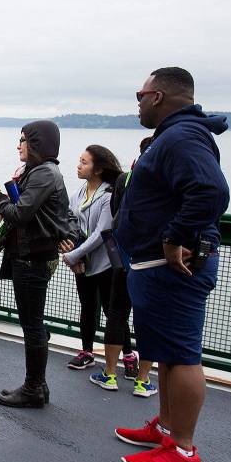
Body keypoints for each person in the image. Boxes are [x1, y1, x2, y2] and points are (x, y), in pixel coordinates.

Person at [114, 67, 229, 462]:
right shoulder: (175, 136)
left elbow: (211, 191)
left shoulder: (182, 137)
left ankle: (182, 450)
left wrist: (174, 236)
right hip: (155, 265)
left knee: (181, 356)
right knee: (164, 353)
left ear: (157, 96)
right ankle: (166, 427)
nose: (139, 103)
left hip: (173, 265)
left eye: (140, 95)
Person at [0, 121, 71, 408]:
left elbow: (19, 214)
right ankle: (37, 385)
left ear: (37, 142)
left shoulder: (44, 173)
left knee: (32, 324)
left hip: (33, 258)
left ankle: (34, 387)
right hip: (33, 255)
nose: (19, 145)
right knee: (32, 323)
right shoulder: (42, 172)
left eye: (23, 140)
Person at [100, 137, 157, 396]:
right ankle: (143, 380)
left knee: (116, 313)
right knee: (148, 319)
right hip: (153, 258)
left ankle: (109, 374)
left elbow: (114, 213)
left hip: (123, 256)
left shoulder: (125, 179)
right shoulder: (164, 181)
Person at [60, 145, 123, 373]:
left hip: (106, 262)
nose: (78, 165)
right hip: (83, 263)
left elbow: (102, 232)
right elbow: (68, 221)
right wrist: (67, 244)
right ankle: (87, 351)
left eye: (84, 162)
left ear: (98, 169)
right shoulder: (78, 194)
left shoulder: (108, 195)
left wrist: (73, 254)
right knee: (86, 306)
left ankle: (127, 354)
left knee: (111, 310)